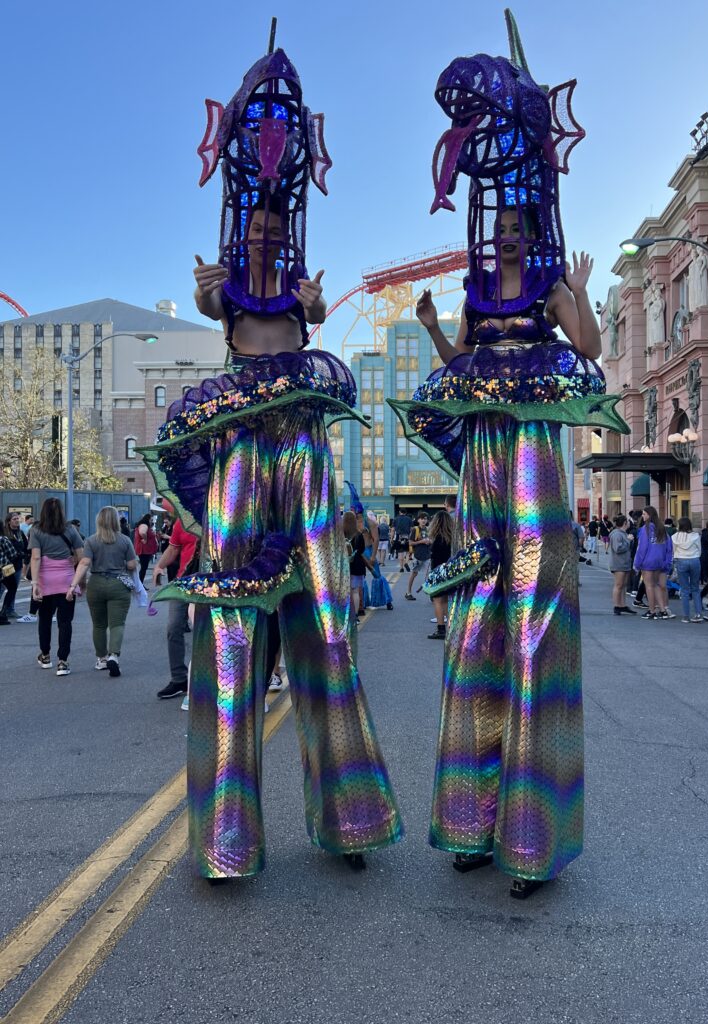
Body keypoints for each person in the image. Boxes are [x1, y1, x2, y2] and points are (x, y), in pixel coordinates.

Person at [139, 45, 401, 880]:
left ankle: (350, 821)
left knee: (327, 627)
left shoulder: (298, 289)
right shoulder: (226, 291)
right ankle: (227, 839)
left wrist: (315, 308)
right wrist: (213, 294)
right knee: (230, 632)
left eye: (273, 223)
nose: (264, 230)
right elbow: (219, 304)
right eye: (255, 220)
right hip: (241, 452)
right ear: (239, 215)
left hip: (301, 446)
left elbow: (309, 321)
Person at [390, 17, 628, 895]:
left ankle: (532, 836)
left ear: (534, 222)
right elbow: (462, 362)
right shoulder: (476, 288)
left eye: (523, 228)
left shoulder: (550, 283)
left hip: (533, 456)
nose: (512, 239)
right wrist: (424, 331)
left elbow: (593, 350)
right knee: (477, 629)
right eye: (507, 231)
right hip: (482, 459)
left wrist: (584, 294)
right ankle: (470, 821)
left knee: (534, 627)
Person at [67, 506, 138, 677]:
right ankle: (114, 655)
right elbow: (132, 564)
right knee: (117, 624)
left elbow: (84, 563)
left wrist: (73, 586)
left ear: (99, 520)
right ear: (116, 521)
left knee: (99, 625)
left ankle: (101, 658)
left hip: (96, 584)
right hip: (118, 585)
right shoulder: (124, 540)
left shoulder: (91, 541)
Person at [28, 498, 83, 676]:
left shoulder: (36, 530)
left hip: (45, 581)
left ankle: (45, 656)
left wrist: (35, 583)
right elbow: (81, 557)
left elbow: (35, 558)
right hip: (66, 581)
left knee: (44, 619)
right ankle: (63, 661)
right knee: (65, 622)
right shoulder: (70, 529)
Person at [152, 510, 199, 699]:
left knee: (204, 632)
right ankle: (179, 679)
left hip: (208, 584)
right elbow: (173, 548)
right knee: (173, 627)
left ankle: (202, 679)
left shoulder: (216, 517)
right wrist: (159, 567)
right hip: (183, 582)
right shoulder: (183, 520)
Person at [633, 506, 674, 620]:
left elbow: (642, 548)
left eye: (645, 514)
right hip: (659, 561)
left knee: (649, 586)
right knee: (655, 585)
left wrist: (637, 564)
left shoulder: (645, 529)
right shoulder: (661, 529)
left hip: (648, 560)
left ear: (649, 515)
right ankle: (662, 609)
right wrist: (666, 562)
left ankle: (652, 611)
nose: (643, 516)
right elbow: (668, 547)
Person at [426, 509, 453, 638]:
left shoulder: (436, 539)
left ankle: (441, 629)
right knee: (447, 600)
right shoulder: (452, 538)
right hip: (450, 571)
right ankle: (451, 628)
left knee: (437, 600)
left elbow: (434, 558)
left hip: (438, 572)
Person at [671, 516, 703, 622]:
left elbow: (673, 551)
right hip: (694, 560)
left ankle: (686, 616)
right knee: (695, 588)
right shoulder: (696, 536)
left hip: (681, 560)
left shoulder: (675, 537)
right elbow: (699, 549)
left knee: (684, 589)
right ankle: (698, 614)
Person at [608, 514, 636, 615]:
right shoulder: (617, 534)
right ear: (624, 523)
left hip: (625, 563)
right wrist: (628, 540)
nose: (629, 523)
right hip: (618, 563)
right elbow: (618, 548)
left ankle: (622, 605)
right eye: (628, 522)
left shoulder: (623, 533)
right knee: (619, 585)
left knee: (623, 585)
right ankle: (617, 606)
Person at [2, 511, 27, 619]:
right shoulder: (4, 533)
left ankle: (9, 610)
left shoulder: (20, 533)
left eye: (18, 519)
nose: (17, 521)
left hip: (17, 565)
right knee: (2, 588)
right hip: (5, 565)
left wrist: (25, 555)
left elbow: (26, 546)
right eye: (14, 519)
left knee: (13, 588)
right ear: (8, 521)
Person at [404, 512, 431, 601]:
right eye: (422, 518)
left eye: (425, 518)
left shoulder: (429, 529)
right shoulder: (415, 530)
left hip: (427, 556)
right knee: (414, 573)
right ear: (418, 520)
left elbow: (431, 540)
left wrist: (429, 542)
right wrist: (422, 542)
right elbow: (410, 542)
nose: (423, 520)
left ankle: (432, 594)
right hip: (418, 555)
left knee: (430, 575)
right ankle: (408, 592)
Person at [133, 514, 158, 584]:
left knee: (144, 568)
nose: (151, 521)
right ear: (148, 519)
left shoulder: (144, 525)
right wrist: (145, 539)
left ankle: (140, 583)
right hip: (144, 550)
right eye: (151, 520)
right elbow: (142, 532)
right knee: (144, 568)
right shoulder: (144, 525)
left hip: (146, 550)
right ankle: (140, 584)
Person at [393, 506, 413, 573]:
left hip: (398, 537)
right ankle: (406, 562)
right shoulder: (409, 519)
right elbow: (411, 529)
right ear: (406, 513)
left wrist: (391, 538)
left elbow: (393, 529)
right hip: (406, 536)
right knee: (407, 552)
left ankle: (401, 568)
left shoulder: (396, 519)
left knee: (400, 552)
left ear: (399, 512)